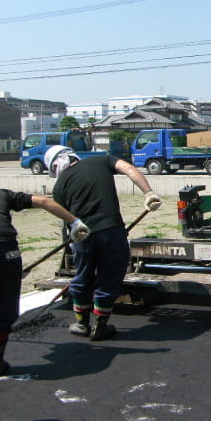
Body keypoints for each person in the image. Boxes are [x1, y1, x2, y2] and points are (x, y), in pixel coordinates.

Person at [0, 175, 90, 379]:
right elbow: (44, 201)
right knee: (4, 306)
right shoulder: (0, 194)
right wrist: (75, 222)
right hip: (9, 254)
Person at [45, 145, 162, 341]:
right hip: (111, 231)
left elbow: (66, 219)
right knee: (109, 278)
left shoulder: (59, 186)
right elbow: (130, 170)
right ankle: (100, 326)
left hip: (82, 236)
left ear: (56, 165)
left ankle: (81, 324)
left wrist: (73, 238)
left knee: (82, 277)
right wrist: (148, 193)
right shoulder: (102, 160)